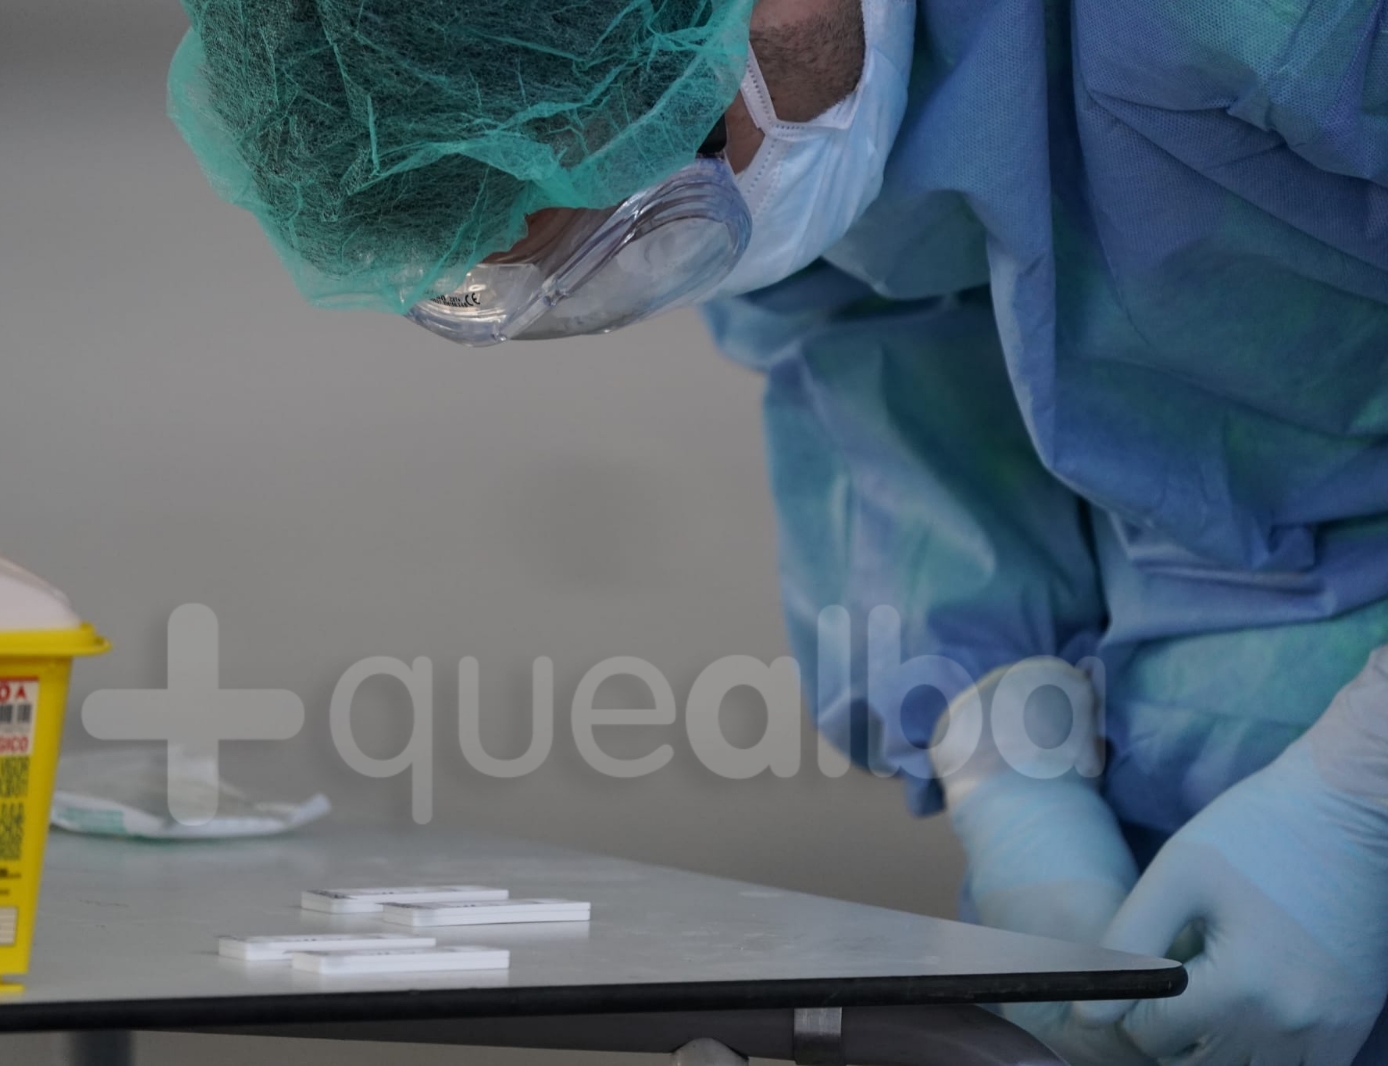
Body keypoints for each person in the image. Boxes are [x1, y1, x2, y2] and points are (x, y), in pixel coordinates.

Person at [168, 1, 1388, 1062]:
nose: (696, 227)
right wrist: (1007, 760)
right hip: (1196, 776)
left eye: (686, 153)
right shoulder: (831, 106)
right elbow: (875, 362)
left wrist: (1361, 796)